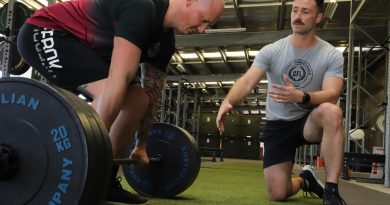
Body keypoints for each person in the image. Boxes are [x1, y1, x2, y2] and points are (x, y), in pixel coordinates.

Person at [17, 0, 224, 204]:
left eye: (209, 24)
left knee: (138, 98)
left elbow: (151, 95)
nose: (203, 29)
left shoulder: (165, 44)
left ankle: (105, 182)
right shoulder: (142, 8)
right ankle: (76, 169)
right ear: (189, 2)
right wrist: (85, 150)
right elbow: (118, 80)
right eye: (204, 19)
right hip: (47, 32)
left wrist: (142, 145)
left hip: (86, 49)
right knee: (114, 88)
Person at [216, 0, 347, 204]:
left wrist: (301, 96)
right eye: (295, 10)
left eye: (305, 12)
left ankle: (331, 191)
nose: (297, 16)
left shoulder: (331, 54)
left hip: (308, 121)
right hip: (278, 124)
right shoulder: (272, 50)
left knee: (332, 112)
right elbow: (247, 81)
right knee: (278, 193)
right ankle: (306, 180)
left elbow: (332, 94)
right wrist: (228, 100)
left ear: (318, 17)